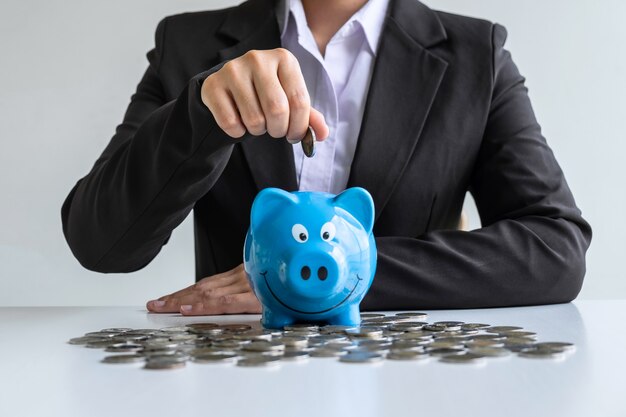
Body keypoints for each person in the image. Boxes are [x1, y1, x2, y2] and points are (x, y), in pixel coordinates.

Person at [61, 0, 591, 316]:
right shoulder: (188, 43)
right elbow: (100, 242)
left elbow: (554, 248)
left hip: (411, 382)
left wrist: (345, 275)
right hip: (232, 381)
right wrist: (203, 114)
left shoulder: (477, 54)